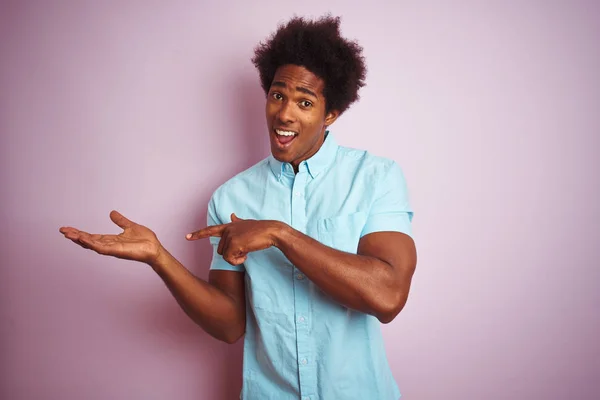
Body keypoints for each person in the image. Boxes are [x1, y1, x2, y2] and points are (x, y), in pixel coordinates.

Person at [60, 15, 417, 400]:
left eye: (305, 101)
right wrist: (158, 257)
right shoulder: (231, 198)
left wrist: (280, 234)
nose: (285, 114)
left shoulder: (375, 177)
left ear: (330, 114)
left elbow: (388, 297)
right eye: (278, 95)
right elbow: (230, 324)